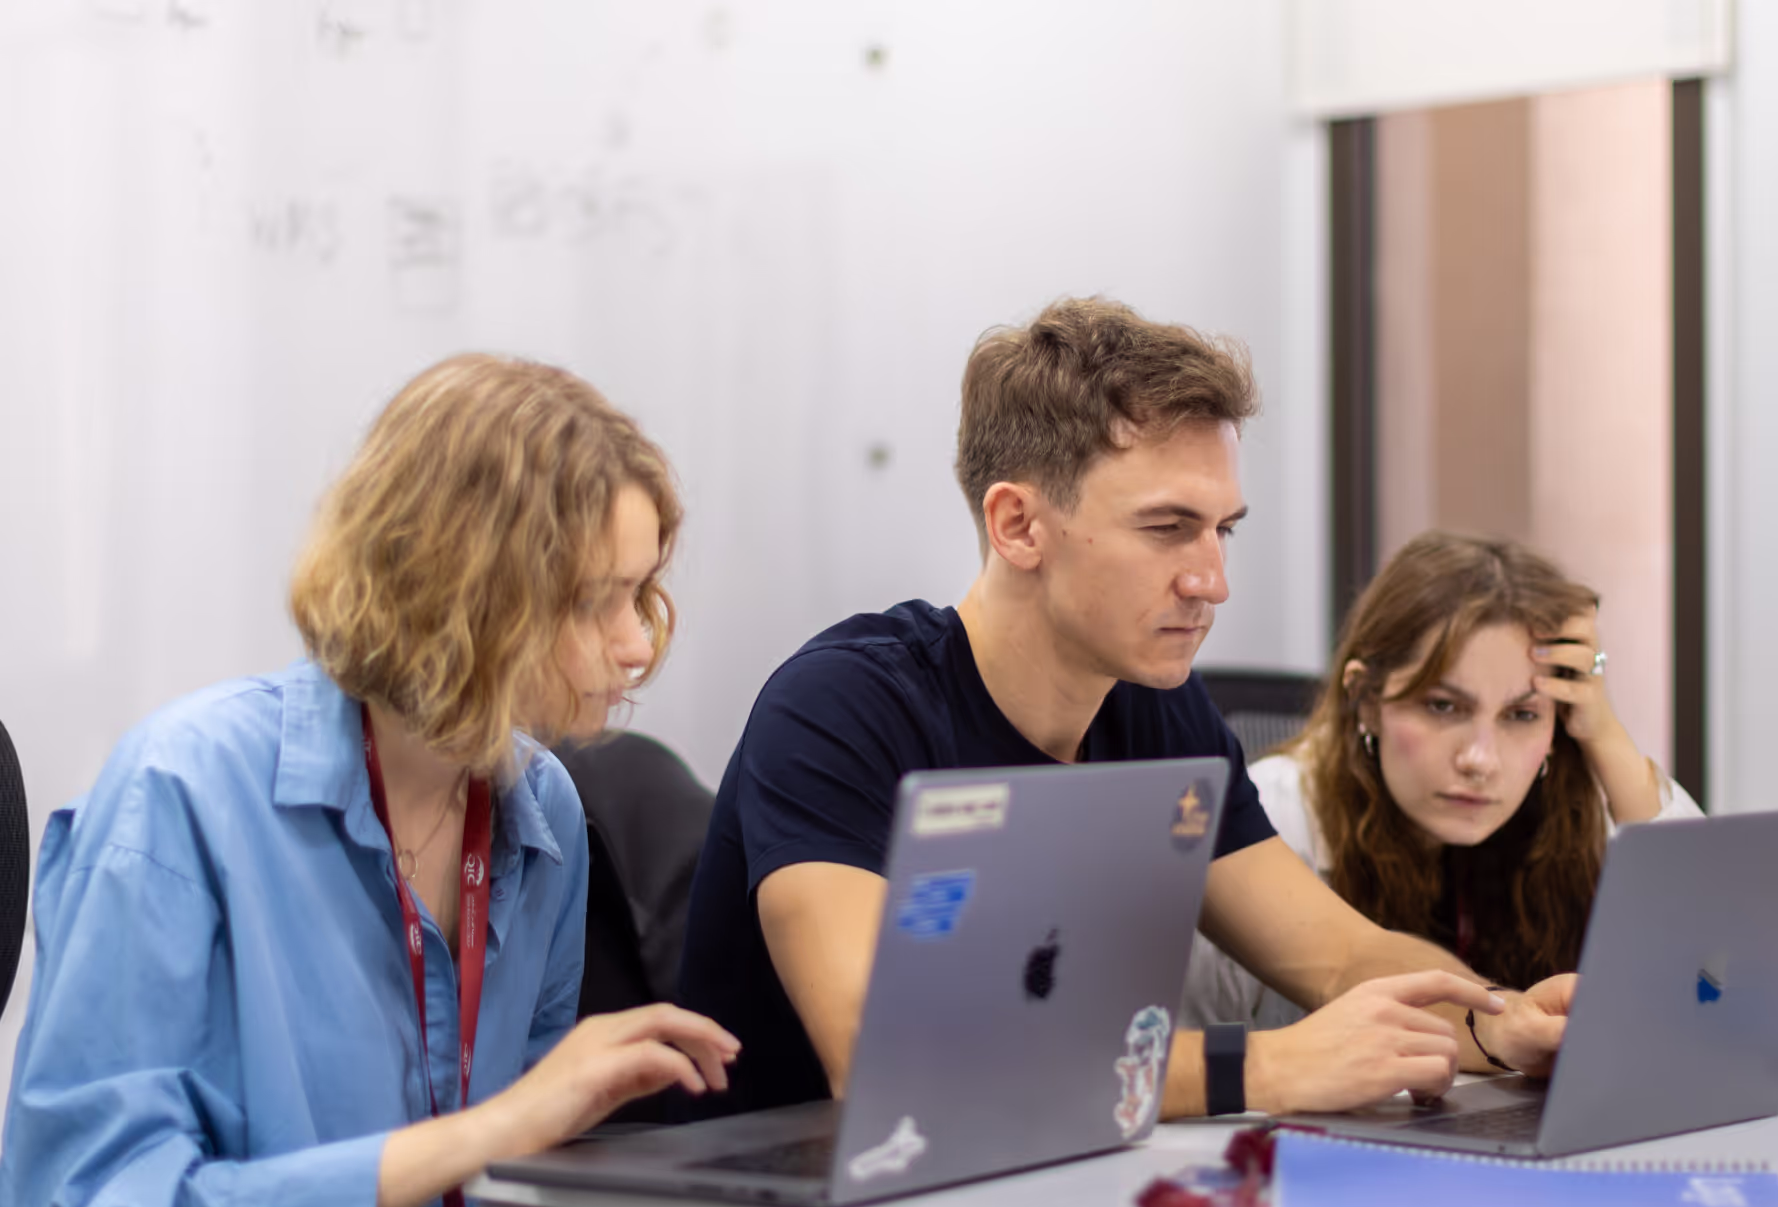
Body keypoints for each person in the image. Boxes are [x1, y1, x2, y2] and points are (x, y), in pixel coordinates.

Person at [0, 356, 756, 1207]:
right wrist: (497, 1128)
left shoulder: (544, 819)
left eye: (642, 592)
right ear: (460, 592)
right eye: (593, 601)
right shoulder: (179, 797)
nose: (633, 646)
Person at [677, 298, 1577, 1143]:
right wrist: (1264, 1066)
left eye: (1223, 530)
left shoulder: (1154, 707)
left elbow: (1341, 960)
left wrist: (1502, 1023)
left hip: (1023, 1191)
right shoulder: (843, 708)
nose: (1211, 580)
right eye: (1167, 528)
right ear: (1019, 525)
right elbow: (889, 1060)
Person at [1181, 530, 1704, 1031]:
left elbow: (1712, 978)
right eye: (1442, 706)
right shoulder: (1273, 819)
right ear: (1365, 700)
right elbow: (1176, 1057)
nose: (1480, 759)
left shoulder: (1578, 811)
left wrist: (1606, 738)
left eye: (1521, 716)